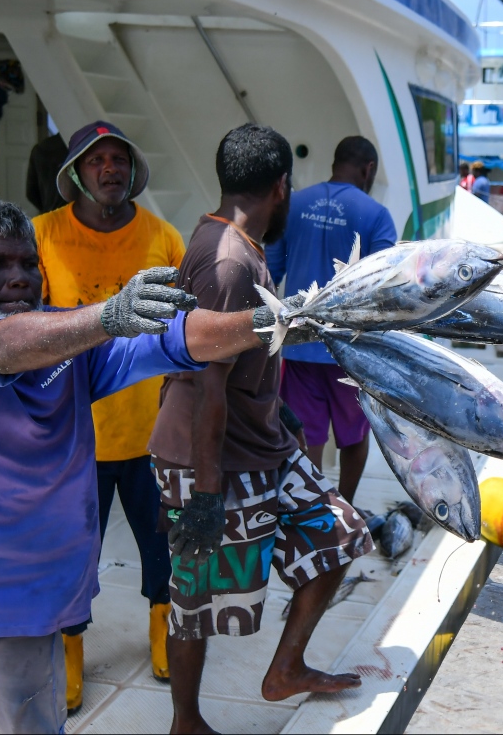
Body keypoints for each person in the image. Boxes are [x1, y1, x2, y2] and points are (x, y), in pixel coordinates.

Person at [0, 198, 280, 735]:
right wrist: (107, 315)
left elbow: (180, 340)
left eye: (27, 264)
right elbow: (2, 347)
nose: (18, 279)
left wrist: (278, 321)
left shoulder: (72, 338)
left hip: (26, 598)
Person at [148, 124, 373, 734]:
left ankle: (286, 669)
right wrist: (204, 493)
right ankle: (186, 722)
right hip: (210, 456)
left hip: (262, 442)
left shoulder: (239, 244)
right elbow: (208, 387)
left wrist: (286, 418)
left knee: (341, 534)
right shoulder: (227, 264)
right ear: (282, 187)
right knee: (196, 594)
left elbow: (246, 366)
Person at [33, 121, 186, 709]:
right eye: (96, 160)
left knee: (160, 544)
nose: (109, 169)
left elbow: (182, 330)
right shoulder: (42, 234)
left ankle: (161, 635)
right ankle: (71, 654)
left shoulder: (163, 236)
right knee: (76, 553)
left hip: (151, 432)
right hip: (73, 433)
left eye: (119, 158)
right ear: (75, 173)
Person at [266, 136, 397, 501]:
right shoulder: (376, 215)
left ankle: (314, 509)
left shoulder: (294, 205)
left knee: (307, 433)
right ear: (368, 169)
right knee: (353, 435)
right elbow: (383, 289)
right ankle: (346, 508)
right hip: (350, 352)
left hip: (299, 348)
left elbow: (271, 272)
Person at [25, 118, 68, 214]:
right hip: (76, 219)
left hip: (50, 213)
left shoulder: (40, 149)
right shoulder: (83, 148)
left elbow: (31, 193)